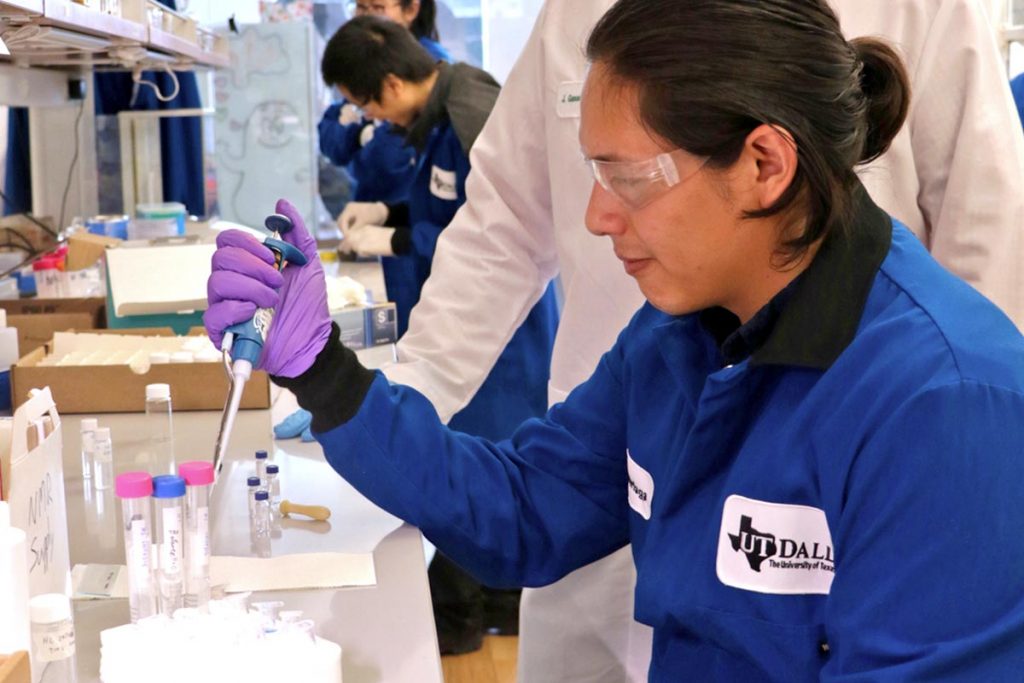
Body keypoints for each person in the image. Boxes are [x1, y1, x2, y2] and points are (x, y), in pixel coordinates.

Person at [206, 0, 1024, 678]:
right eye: (593, 174)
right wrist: (327, 374)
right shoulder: (678, 338)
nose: (597, 219)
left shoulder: (945, 408)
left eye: (629, 178)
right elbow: (521, 508)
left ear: (766, 164)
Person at [320, 15, 559, 653]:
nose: (373, 116)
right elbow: (443, 206)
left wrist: (396, 236)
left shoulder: (469, 113)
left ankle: (467, 615)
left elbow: (496, 233)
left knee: (478, 461)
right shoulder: (433, 117)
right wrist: (392, 213)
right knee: (464, 455)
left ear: (393, 83)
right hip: (468, 327)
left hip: (503, 340)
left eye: (367, 103)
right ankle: (481, 607)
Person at [318, 0, 451, 337]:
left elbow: (480, 238)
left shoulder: (451, 114)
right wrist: (384, 213)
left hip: (429, 249)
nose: (367, 18)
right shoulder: (376, 79)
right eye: (360, 7)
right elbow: (332, 136)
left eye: (377, 6)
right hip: (411, 229)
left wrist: (396, 236)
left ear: (410, 10)